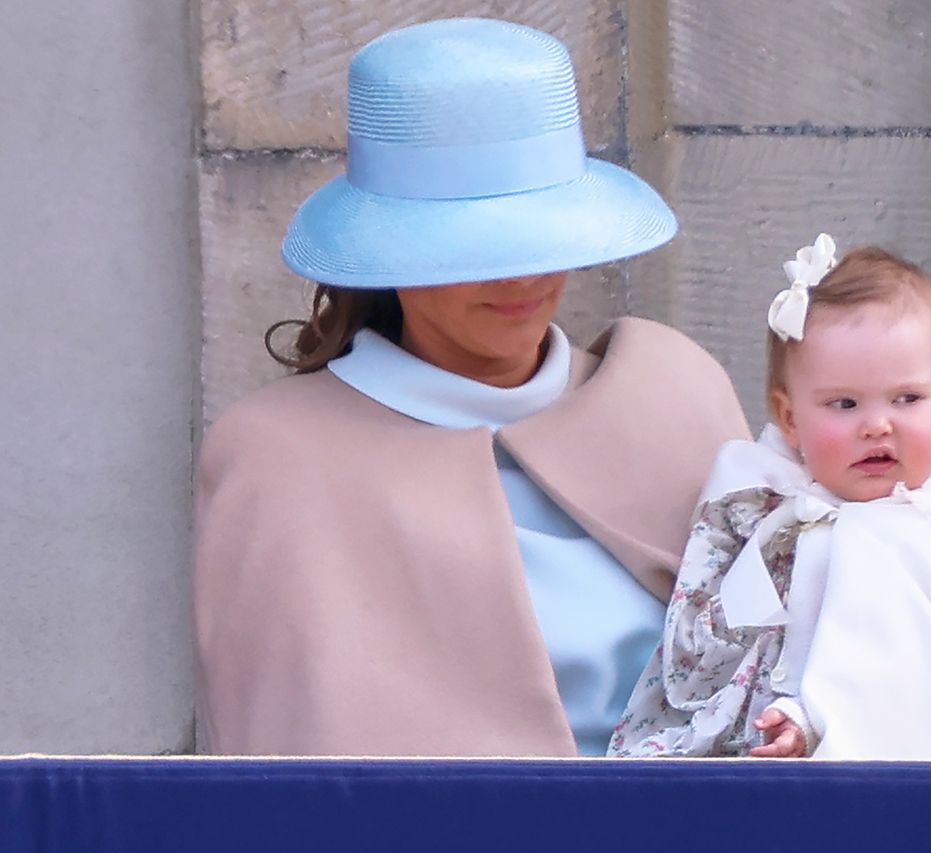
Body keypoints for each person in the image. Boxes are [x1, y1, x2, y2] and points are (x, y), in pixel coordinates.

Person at [193, 18, 749, 757]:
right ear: (388, 250)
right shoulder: (281, 457)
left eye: (542, 231)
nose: (520, 276)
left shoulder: (671, 394)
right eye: (474, 245)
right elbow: (278, 759)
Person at [609, 236, 931, 760]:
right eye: (845, 404)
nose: (877, 425)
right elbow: (708, 637)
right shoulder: (773, 513)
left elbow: (904, 661)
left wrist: (815, 716)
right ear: (790, 419)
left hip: (903, 763)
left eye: (907, 398)